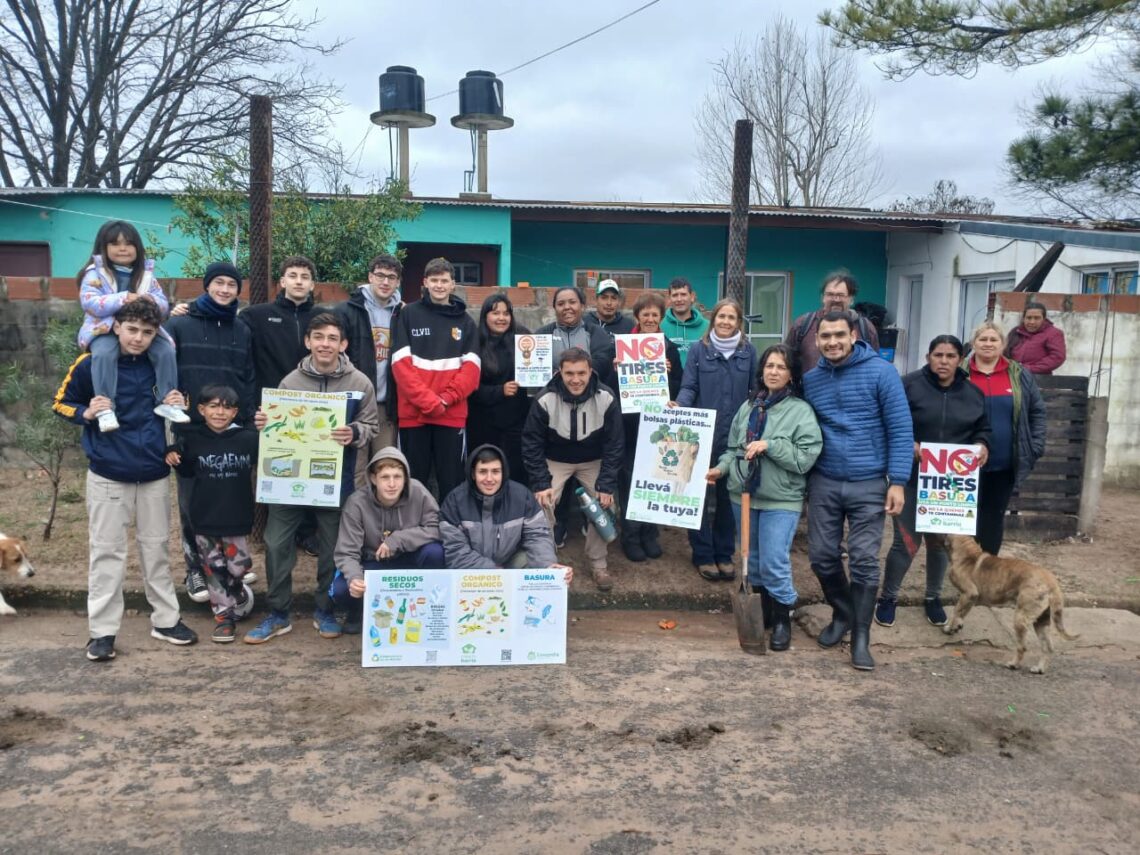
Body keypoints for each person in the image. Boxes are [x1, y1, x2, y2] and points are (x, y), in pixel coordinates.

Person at [52, 299, 198, 661]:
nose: (139, 338)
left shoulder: (162, 362)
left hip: (153, 472)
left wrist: (182, 400)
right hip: (108, 472)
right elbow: (60, 402)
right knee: (106, 553)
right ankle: (101, 632)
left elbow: (178, 410)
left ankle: (165, 620)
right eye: (132, 330)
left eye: (147, 332)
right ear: (116, 327)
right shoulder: (91, 364)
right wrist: (86, 412)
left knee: (156, 549)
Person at [245, 313, 379, 645]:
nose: (325, 344)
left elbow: (372, 426)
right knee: (276, 544)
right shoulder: (290, 382)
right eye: (318, 337)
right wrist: (266, 422)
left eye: (332, 338)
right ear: (308, 341)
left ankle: (325, 609)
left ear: (343, 344)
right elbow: (277, 427)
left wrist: (355, 431)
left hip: (337, 480)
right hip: (288, 479)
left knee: (333, 546)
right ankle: (278, 613)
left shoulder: (359, 382)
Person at [801, 310, 913, 671]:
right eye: (825, 337)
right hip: (825, 480)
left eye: (838, 335)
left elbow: (900, 428)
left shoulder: (882, 373)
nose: (832, 342)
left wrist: (898, 481)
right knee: (820, 556)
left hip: (869, 481)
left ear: (853, 335)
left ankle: (861, 637)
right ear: (816, 341)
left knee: (864, 560)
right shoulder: (812, 379)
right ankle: (843, 612)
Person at [707, 344, 822, 651]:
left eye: (781, 367)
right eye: (769, 366)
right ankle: (765, 613)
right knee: (752, 560)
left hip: (780, 499)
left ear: (791, 374)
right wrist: (719, 470)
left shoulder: (801, 411)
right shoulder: (749, 407)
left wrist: (770, 445)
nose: (773, 372)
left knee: (773, 561)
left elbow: (805, 458)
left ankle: (784, 617)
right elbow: (733, 450)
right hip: (742, 495)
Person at [875, 335, 992, 629]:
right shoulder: (908, 385)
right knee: (906, 542)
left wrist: (982, 446)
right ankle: (888, 598)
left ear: (959, 359)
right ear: (928, 357)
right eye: (938, 355)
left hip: (950, 483)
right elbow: (888, 420)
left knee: (940, 544)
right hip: (912, 477)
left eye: (950, 356)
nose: (944, 361)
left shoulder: (973, 393)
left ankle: (933, 597)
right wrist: (908, 442)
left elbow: (984, 429)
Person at [166, 261, 257, 602]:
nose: (224, 289)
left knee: (229, 495)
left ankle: (231, 561)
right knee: (191, 501)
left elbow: (247, 375)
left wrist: (246, 419)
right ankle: (195, 570)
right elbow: (164, 369)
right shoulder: (179, 323)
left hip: (231, 426)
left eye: (231, 285)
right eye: (218, 283)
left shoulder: (241, 328)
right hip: (190, 426)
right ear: (206, 286)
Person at [522, 347, 624, 592]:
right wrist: (541, 483)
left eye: (581, 373)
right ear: (560, 372)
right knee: (541, 503)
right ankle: (545, 564)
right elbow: (531, 443)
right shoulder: (545, 398)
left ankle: (599, 564)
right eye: (569, 373)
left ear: (591, 371)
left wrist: (607, 484)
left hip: (593, 460)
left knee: (605, 505)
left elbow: (615, 444)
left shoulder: (606, 397)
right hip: (556, 459)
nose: (575, 379)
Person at [165, 384, 259, 643]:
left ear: (235, 412)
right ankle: (224, 618)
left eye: (227, 407)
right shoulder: (192, 439)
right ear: (201, 409)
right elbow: (185, 471)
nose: (220, 412)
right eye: (214, 406)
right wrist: (173, 455)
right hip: (204, 519)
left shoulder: (248, 439)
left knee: (238, 568)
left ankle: (238, 589)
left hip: (237, 517)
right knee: (213, 569)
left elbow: (271, 455)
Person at [76, 219, 187, 432]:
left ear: (138, 248)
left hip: (140, 329)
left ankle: (167, 401)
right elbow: (89, 302)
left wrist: (151, 301)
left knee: (165, 350)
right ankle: (105, 408)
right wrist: (123, 298)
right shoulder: (95, 273)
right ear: (103, 247)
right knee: (105, 354)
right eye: (115, 244)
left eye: (128, 244)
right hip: (105, 329)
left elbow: (163, 305)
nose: (123, 249)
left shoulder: (145, 275)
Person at [675, 298, 757, 581]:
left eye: (731, 318)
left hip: (734, 438)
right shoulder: (700, 350)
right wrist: (679, 407)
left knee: (727, 496)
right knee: (696, 496)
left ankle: (724, 553)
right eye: (721, 316)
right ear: (714, 320)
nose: (725, 322)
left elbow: (755, 392)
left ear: (738, 323)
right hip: (701, 434)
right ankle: (703, 554)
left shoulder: (748, 352)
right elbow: (689, 386)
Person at [390, 257, 480, 501]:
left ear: (453, 285)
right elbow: (400, 366)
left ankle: (450, 532)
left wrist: (446, 400)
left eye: (444, 281)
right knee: (412, 479)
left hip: (451, 415)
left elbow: (472, 372)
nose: (439, 285)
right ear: (425, 283)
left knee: (452, 481)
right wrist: (430, 402)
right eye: (434, 280)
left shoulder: (466, 322)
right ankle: (411, 533)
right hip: (413, 415)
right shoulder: (407, 315)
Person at [331, 447, 444, 633]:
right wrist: (356, 579)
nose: (392, 484)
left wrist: (398, 539)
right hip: (372, 562)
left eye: (397, 477)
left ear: (405, 478)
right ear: (374, 479)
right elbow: (347, 552)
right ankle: (357, 612)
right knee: (342, 589)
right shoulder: (356, 503)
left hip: (408, 560)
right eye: (385, 477)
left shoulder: (418, 492)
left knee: (435, 553)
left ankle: (429, 610)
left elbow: (437, 528)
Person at [964, 321, 1046, 555]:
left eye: (993, 340)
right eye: (983, 339)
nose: (988, 344)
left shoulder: (1018, 374)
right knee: (966, 520)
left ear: (1003, 344)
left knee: (992, 517)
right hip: (964, 464)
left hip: (1004, 463)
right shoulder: (961, 373)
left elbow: (1037, 411)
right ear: (974, 343)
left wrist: (1036, 446)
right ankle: (966, 575)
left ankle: (988, 572)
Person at [440, 444, 572, 585]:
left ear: (503, 473)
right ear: (473, 474)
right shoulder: (455, 501)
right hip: (471, 574)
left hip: (509, 564)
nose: (489, 479)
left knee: (534, 563)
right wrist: (492, 572)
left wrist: (548, 565)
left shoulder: (522, 497)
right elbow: (456, 551)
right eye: (483, 472)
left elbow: (537, 536)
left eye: (496, 471)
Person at [617, 291, 683, 562]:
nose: (650, 319)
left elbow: (680, 387)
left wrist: (667, 374)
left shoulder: (668, 348)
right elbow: (611, 390)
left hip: (658, 427)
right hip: (630, 426)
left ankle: (649, 534)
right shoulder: (623, 348)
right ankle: (630, 536)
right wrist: (616, 369)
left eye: (655, 315)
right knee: (631, 481)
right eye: (645, 314)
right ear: (637, 317)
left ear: (661, 318)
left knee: (655, 481)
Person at [337, 253, 404, 452]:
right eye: (380, 275)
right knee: (356, 469)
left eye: (391, 277)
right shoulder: (347, 311)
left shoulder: (403, 314)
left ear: (398, 282)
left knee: (385, 464)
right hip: (354, 404)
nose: (385, 282)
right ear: (370, 277)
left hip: (386, 406)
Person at [467, 293, 532, 487]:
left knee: (515, 471)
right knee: (486, 472)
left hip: (517, 421)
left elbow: (538, 371)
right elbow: (470, 388)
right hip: (483, 423)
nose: (501, 318)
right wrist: (499, 391)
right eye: (495, 313)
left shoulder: (523, 338)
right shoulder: (474, 342)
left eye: (506, 313)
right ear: (485, 315)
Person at [239, 255, 325, 395]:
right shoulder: (255, 316)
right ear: (283, 282)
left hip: (312, 398)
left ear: (312, 285)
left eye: (304, 277)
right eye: (292, 276)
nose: (298, 281)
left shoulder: (325, 317)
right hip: (269, 400)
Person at [785, 270, 880, 370]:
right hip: (811, 385)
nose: (836, 299)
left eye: (841, 295)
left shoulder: (865, 328)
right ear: (823, 297)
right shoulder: (803, 325)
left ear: (851, 299)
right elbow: (786, 362)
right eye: (830, 294)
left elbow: (875, 366)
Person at [1005, 302, 1066, 375]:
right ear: (1024, 318)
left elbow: (1057, 357)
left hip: (1039, 380)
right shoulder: (1016, 332)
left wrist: (1029, 368)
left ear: (1044, 319)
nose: (1032, 322)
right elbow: (1004, 353)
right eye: (1028, 318)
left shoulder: (1053, 333)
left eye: (1037, 318)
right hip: (1013, 378)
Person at [660, 277, 709, 368]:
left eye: (683, 294)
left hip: (700, 381)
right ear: (669, 299)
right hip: (672, 380)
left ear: (692, 296)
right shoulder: (660, 326)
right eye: (675, 295)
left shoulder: (708, 327)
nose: (679, 299)